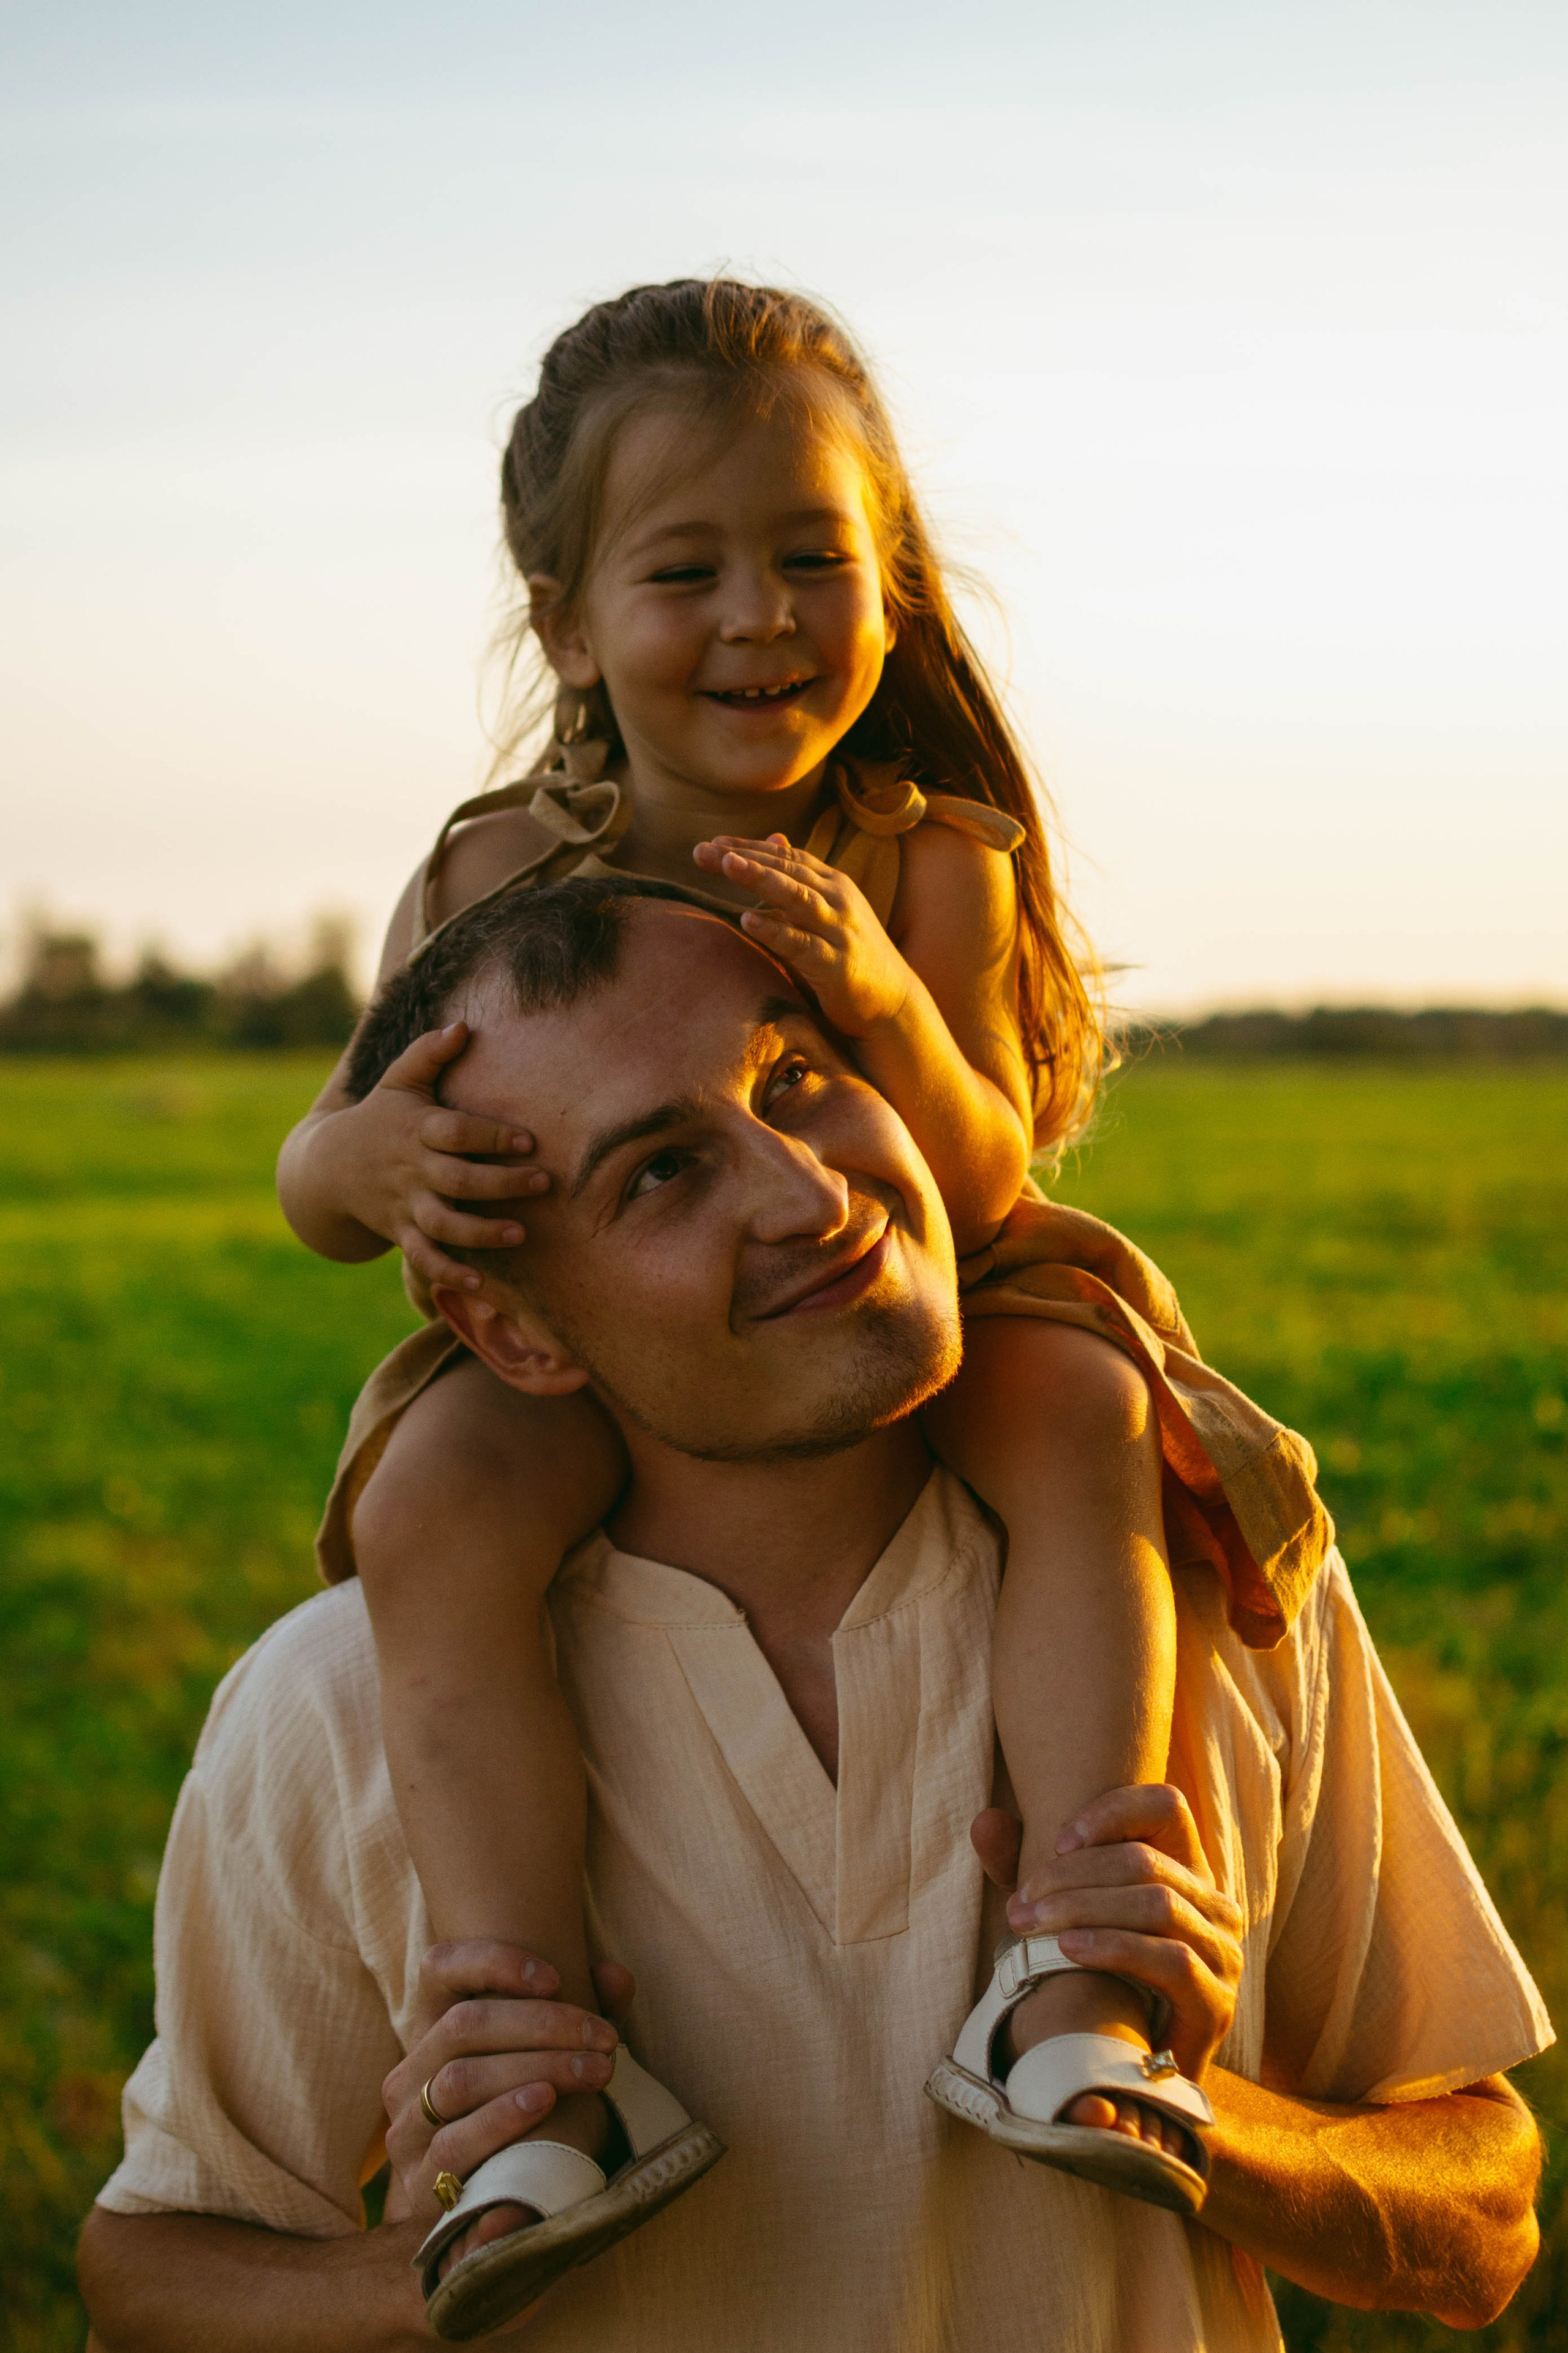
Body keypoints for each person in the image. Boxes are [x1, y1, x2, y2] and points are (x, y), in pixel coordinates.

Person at [83, 882, 1550, 2352]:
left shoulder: (1203, 1598)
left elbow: (1483, 2218)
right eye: (660, 1173)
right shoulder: (337, 1700)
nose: (807, 1195)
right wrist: (441, 2260)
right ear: (514, 1331)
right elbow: (146, 2273)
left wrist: (1180, 2117)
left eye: (796, 1077)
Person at [272, 280, 1333, 2266]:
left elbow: (988, 1177)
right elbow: (327, 1168)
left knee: (1079, 1404)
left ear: (891, 585)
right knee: (435, 1495)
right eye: (690, 570)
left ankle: (1079, 1963)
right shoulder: (500, 875)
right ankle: (528, 2068)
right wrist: (355, 1158)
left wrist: (884, 1015)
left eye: (814, 560)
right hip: (596, 1330)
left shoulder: (928, 854)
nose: (763, 615)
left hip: (935, 1282)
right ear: (569, 623)